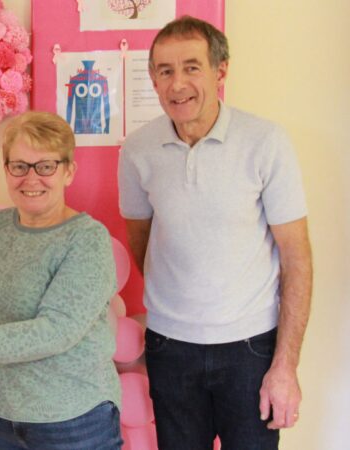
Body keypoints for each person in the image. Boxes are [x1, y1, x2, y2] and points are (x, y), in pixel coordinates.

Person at [118, 16, 312, 450]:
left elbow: (296, 259)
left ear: (220, 71)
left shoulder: (265, 142)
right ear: (152, 78)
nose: (178, 83)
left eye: (191, 67)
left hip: (251, 350)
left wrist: (285, 366)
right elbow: (141, 240)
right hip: (170, 347)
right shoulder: (137, 150)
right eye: (165, 71)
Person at [0, 111, 122, 450]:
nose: (31, 178)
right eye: (19, 166)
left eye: (46, 166)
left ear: (68, 171)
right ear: (6, 170)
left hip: (71, 422)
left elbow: (57, 331)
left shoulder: (87, 239)